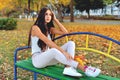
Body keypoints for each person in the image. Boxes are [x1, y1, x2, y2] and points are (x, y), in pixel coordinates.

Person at [28, 7, 101, 77]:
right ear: (41, 15)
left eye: (50, 15)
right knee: (53, 50)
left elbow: (65, 33)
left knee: (70, 43)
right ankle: (84, 68)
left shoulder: (49, 29)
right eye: (46, 14)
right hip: (38, 60)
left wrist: (56, 20)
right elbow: (47, 41)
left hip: (48, 60)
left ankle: (69, 68)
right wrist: (63, 52)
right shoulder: (35, 28)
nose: (48, 16)